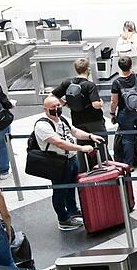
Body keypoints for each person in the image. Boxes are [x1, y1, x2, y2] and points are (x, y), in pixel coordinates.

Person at [35, 96, 104, 231]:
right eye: (53, 107)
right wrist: (81, 148)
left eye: (58, 106)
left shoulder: (62, 119)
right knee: (60, 191)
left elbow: (74, 131)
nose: (56, 109)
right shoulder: (42, 125)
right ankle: (63, 219)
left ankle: (72, 211)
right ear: (45, 109)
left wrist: (90, 136)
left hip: (71, 160)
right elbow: (59, 143)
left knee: (71, 188)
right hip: (58, 162)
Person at [51, 58, 106, 170]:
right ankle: (103, 167)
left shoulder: (68, 82)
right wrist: (101, 103)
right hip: (94, 120)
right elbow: (95, 104)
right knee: (100, 142)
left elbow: (53, 95)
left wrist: (65, 103)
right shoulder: (89, 85)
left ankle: (83, 170)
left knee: (81, 146)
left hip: (77, 120)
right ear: (88, 69)